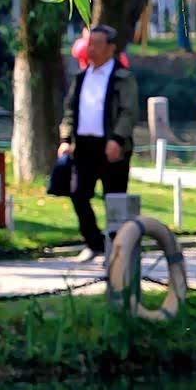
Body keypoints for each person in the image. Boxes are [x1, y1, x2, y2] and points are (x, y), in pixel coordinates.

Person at [58, 25, 139, 262]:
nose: (90, 49)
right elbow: (70, 110)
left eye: (96, 44)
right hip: (83, 146)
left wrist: (117, 139)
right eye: (88, 44)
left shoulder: (122, 77)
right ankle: (93, 242)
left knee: (114, 198)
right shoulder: (82, 77)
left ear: (111, 48)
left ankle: (116, 249)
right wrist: (65, 138)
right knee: (78, 193)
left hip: (112, 147)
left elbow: (129, 112)